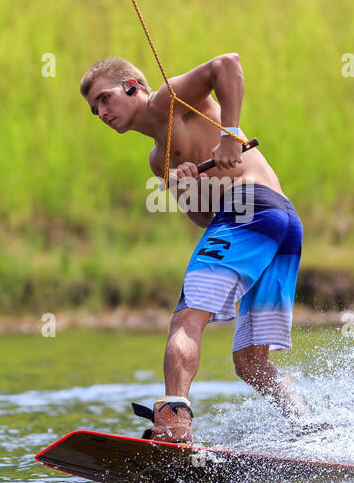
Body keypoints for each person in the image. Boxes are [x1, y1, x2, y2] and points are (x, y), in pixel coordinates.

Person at [79, 53, 314, 443]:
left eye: (105, 99)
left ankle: (173, 421)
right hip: (279, 223)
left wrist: (229, 134)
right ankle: (309, 426)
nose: (101, 112)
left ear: (132, 87)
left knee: (185, 321)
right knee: (251, 363)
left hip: (253, 207)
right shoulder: (159, 160)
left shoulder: (169, 101)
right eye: (94, 109)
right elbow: (207, 219)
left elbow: (228, 64)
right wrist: (186, 185)